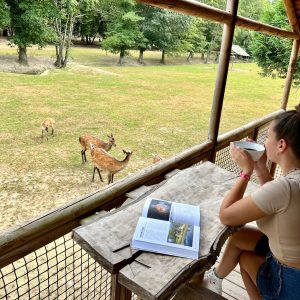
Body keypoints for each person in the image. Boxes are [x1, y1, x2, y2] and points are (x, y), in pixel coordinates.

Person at [202, 104, 300, 299]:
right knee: (239, 237)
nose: (264, 143)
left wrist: (245, 172)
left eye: (267, 138)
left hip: (291, 279)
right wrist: (260, 168)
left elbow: (227, 216)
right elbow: (276, 199)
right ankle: (215, 278)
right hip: (289, 258)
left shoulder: (286, 188)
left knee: (246, 259)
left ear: (281, 145)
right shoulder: (292, 181)